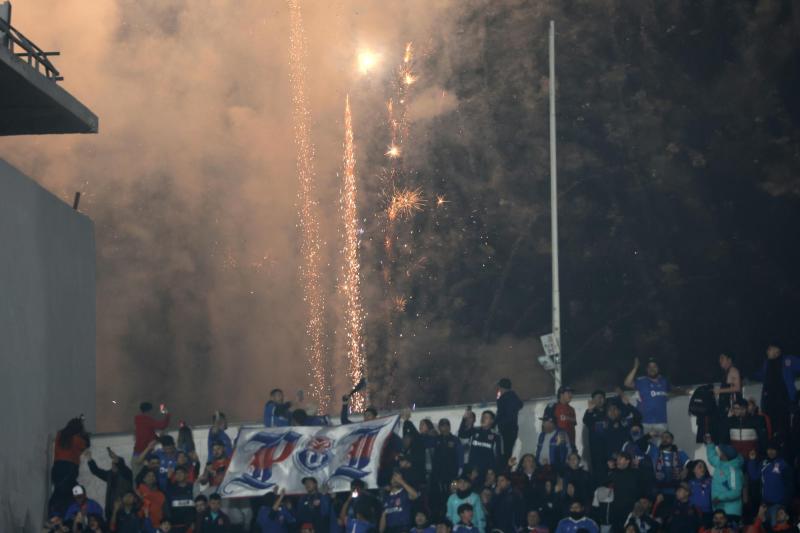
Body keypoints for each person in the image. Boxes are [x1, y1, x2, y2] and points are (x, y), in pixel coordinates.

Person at [757, 345, 800, 444]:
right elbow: (760, 375)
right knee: (770, 429)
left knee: (785, 429)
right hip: (769, 403)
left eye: (770, 349)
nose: (768, 351)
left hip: (785, 402)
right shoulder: (766, 363)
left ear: (777, 350)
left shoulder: (788, 360)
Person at [623, 358, 671, 443]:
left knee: (662, 448)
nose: (652, 369)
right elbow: (627, 383)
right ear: (647, 369)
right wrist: (635, 368)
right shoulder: (641, 381)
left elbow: (672, 392)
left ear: (658, 369)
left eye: (654, 366)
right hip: (644, 422)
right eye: (649, 367)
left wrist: (685, 392)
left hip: (661, 422)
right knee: (644, 447)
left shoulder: (664, 381)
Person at [51, 417, 91, 516]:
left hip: (57, 467)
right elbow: (87, 444)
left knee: (59, 493)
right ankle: (64, 515)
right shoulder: (77, 439)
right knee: (71, 493)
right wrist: (85, 434)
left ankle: (54, 515)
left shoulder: (59, 435)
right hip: (70, 468)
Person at [85, 447, 133, 523]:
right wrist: (89, 458)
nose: (113, 465)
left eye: (115, 463)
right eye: (113, 463)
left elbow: (122, 465)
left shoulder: (127, 474)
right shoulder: (109, 475)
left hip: (124, 512)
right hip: (110, 511)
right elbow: (96, 471)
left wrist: (115, 457)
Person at [748, 440, 793, 519]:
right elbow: (754, 476)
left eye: (773, 449)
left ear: (777, 450)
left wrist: (784, 504)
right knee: (761, 525)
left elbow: (789, 486)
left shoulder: (783, 464)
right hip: (764, 504)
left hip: (778, 505)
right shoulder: (764, 463)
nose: (770, 452)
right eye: (769, 449)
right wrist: (752, 460)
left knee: (775, 525)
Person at [430, 418, 463, 520]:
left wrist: (460, 468)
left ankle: (454, 516)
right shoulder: (436, 440)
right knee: (440, 496)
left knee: (453, 494)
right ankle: (442, 517)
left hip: (453, 475)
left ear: (449, 427)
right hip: (438, 475)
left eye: (446, 425)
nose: (444, 427)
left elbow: (460, 455)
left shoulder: (455, 440)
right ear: (439, 428)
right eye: (442, 425)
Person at [705, 438, 743, 526]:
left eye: (721, 452)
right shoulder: (721, 463)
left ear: (725, 456)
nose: (719, 453)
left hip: (731, 512)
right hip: (719, 510)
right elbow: (712, 458)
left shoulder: (734, 471)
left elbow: (736, 492)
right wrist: (710, 444)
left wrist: (719, 498)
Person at [458, 409, 502, 484]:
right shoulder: (474, 430)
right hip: (471, 470)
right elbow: (462, 436)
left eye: (486, 417)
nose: (483, 419)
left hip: (486, 472)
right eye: (482, 417)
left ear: (492, 421)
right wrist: (464, 419)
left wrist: (493, 471)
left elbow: (498, 456)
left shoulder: (496, 436)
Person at [608, 452, 644, 532]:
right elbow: (603, 484)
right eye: (617, 459)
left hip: (631, 511)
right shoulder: (613, 473)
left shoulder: (635, 473)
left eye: (620, 458)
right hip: (616, 511)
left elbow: (641, 489)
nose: (617, 461)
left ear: (627, 461)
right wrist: (610, 469)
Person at [650, 431, 689, 498]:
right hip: (657, 491)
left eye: (667, 437)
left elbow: (690, 465)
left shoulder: (679, 452)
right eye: (662, 437)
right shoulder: (655, 451)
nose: (664, 439)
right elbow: (640, 444)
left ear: (672, 440)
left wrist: (685, 471)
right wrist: (650, 435)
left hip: (675, 491)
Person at [582, 390, 609, 482]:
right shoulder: (590, 412)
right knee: (597, 471)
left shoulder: (609, 411)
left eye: (601, 398)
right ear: (593, 400)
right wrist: (590, 410)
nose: (599, 400)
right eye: (597, 398)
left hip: (608, 447)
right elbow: (586, 421)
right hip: (596, 448)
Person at [495, 378, 523, 463]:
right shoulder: (513, 396)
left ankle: (505, 468)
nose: (498, 389)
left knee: (505, 453)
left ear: (501, 387)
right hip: (512, 428)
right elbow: (520, 404)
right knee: (509, 452)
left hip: (506, 429)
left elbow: (502, 414)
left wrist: (494, 423)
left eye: (499, 387)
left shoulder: (505, 398)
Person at [165, 466, 195, 532]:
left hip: (190, 525)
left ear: (186, 475)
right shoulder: (171, 488)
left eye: (181, 473)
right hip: (175, 525)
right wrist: (168, 478)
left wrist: (194, 521)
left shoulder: (193, 487)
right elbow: (167, 505)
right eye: (176, 473)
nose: (179, 475)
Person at [687, 460, 713, 526]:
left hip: (707, 512)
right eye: (700, 467)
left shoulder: (711, 480)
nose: (703, 469)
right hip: (693, 513)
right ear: (693, 470)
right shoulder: (689, 482)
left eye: (704, 467)